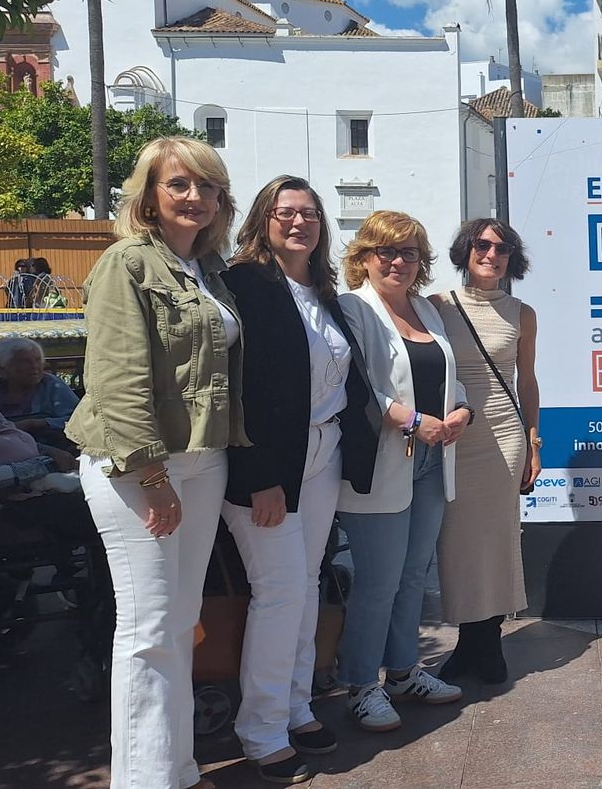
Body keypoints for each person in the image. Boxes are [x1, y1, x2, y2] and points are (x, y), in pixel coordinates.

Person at [64, 135, 246, 789]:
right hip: (138, 467)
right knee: (146, 630)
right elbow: (115, 379)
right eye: (179, 184)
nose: (196, 197)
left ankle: (175, 767)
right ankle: (143, 779)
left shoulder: (209, 270)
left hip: (203, 458)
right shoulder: (126, 263)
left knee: (179, 623)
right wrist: (152, 474)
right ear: (149, 193)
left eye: (208, 186)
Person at [218, 176, 380, 782]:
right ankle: (260, 732)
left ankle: (294, 705)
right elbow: (240, 390)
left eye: (309, 214)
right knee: (281, 588)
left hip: (324, 454)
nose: (299, 223)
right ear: (263, 220)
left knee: (306, 584)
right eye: (286, 213)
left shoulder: (326, 294)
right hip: (268, 465)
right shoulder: (244, 288)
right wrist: (260, 476)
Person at [336, 211, 472, 731]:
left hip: (433, 460)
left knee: (414, 574)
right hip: (384, 460)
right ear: (364, 258)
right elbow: (359, 388)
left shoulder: (426, 311)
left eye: (409, 252)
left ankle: (402, 671)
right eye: (385, 252)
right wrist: (414, 421)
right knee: (378, 580)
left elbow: (447, 378)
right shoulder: (354, 308)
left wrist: (462, 411)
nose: (397, 261)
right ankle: (360, 683)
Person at [431, 219, 540, 683]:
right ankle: (471, 639)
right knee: (456, 541)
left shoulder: (522, 312)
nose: (492, 255)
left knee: (496, 539)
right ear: (465, 250)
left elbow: (527, 381)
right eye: (482, 245)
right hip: (456, 434)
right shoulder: (437, 305)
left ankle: (485, 643)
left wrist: (534, 442)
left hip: (505, 433)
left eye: (502, 249)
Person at [0, 337, 81, 447]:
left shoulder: (51, 385)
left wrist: (35, 423)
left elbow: (79, 420)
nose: (35, 366)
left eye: (38, 360)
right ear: (2, 368)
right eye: (25, 362)